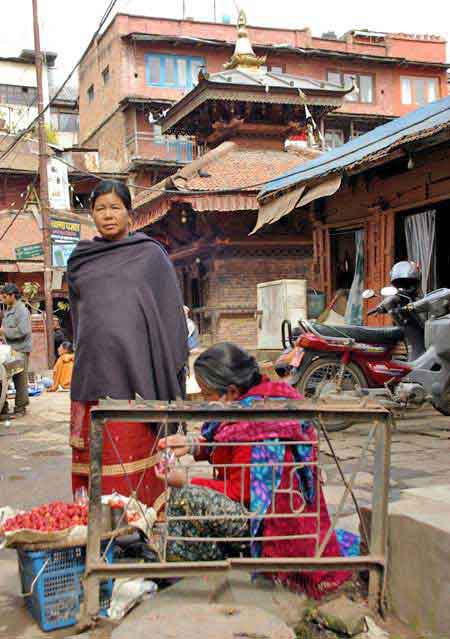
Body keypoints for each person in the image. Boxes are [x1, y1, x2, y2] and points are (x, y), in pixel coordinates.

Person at [156, 342, 351, 600]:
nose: (204, 402)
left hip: (266, 524)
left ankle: (186, 584)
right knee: (188, 500)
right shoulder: (256, 402)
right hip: (269, 511)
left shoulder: (259, 424)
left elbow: (243, 492)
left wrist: (186, 480)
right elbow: (228, 447)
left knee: (185, 499)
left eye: (207, 395)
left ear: (231, 391)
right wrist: (192, 446)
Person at [67, 180, 188, 508]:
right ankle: (99, 530)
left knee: (136, 458)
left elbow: (169, 312)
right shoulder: (80, 259)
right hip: (93, 373)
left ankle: (143, 525)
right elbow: (80, 319)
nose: (108, 215)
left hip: (138, 376)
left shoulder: (149, 256)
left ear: (129, 213)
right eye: (100, 208)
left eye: (115, 207)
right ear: (91, 214)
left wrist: (167, 360)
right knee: (99, 462)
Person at [0, 283, 32, 420]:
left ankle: (20, 407)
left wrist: (4, 332)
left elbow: (23, 331)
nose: (2, 299)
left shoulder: (22, 310)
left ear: (13, 296)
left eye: (5, 296)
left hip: (20, 350)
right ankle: (4, 406)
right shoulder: (9, 309)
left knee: (20, 380)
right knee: (4, 378)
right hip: (10, 349)